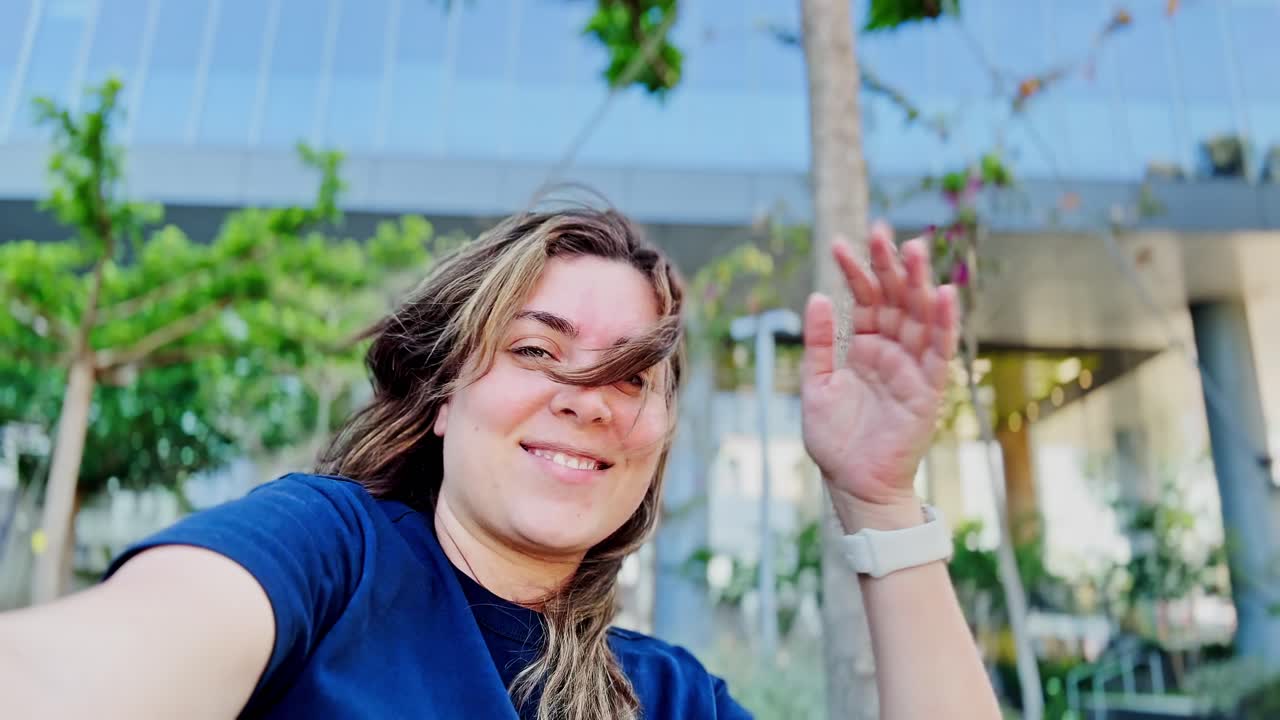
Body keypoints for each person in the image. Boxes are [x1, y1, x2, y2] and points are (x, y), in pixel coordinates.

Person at [0, 209, 1000, 719]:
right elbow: (88, 674)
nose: (584, 398)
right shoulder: (327, 554)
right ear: (442, 397)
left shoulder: (663, 696)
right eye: (534, 349)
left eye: (628, 376)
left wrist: (876, 497)